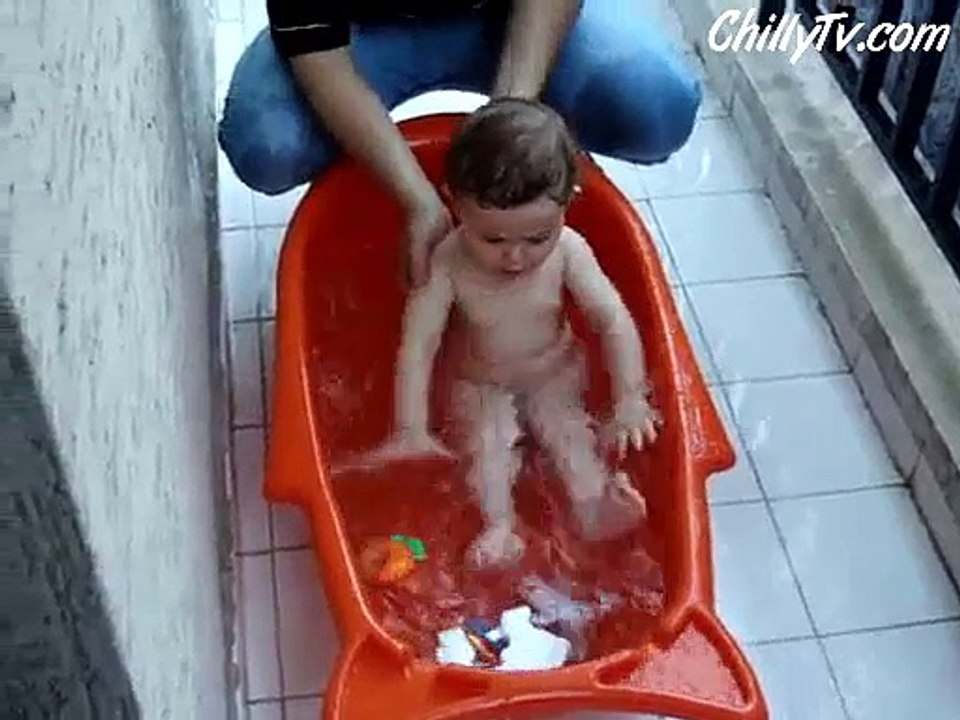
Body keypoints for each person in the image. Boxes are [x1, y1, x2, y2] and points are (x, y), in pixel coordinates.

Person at [218, 0, 702, 287]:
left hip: (506, 17)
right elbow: (317, 51)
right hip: (365, 29)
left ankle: (545, 152)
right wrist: (418, 202)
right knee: (268, 145)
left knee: (655, 105)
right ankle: (357, 201)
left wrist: (511, 128)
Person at [371, 98, 661, 569]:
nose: (515, 258)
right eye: (493, 239)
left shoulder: (569, 250)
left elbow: (612, 318)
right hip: (479, 381)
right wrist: (411, 427)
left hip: (555, 370)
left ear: (568, 205)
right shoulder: (446, 263)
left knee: (569, 430)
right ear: (455, 203)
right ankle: (498, 527)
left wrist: (631, 398)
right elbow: (418, 346)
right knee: (489, 443)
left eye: (536, 238)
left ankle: (593, 504)